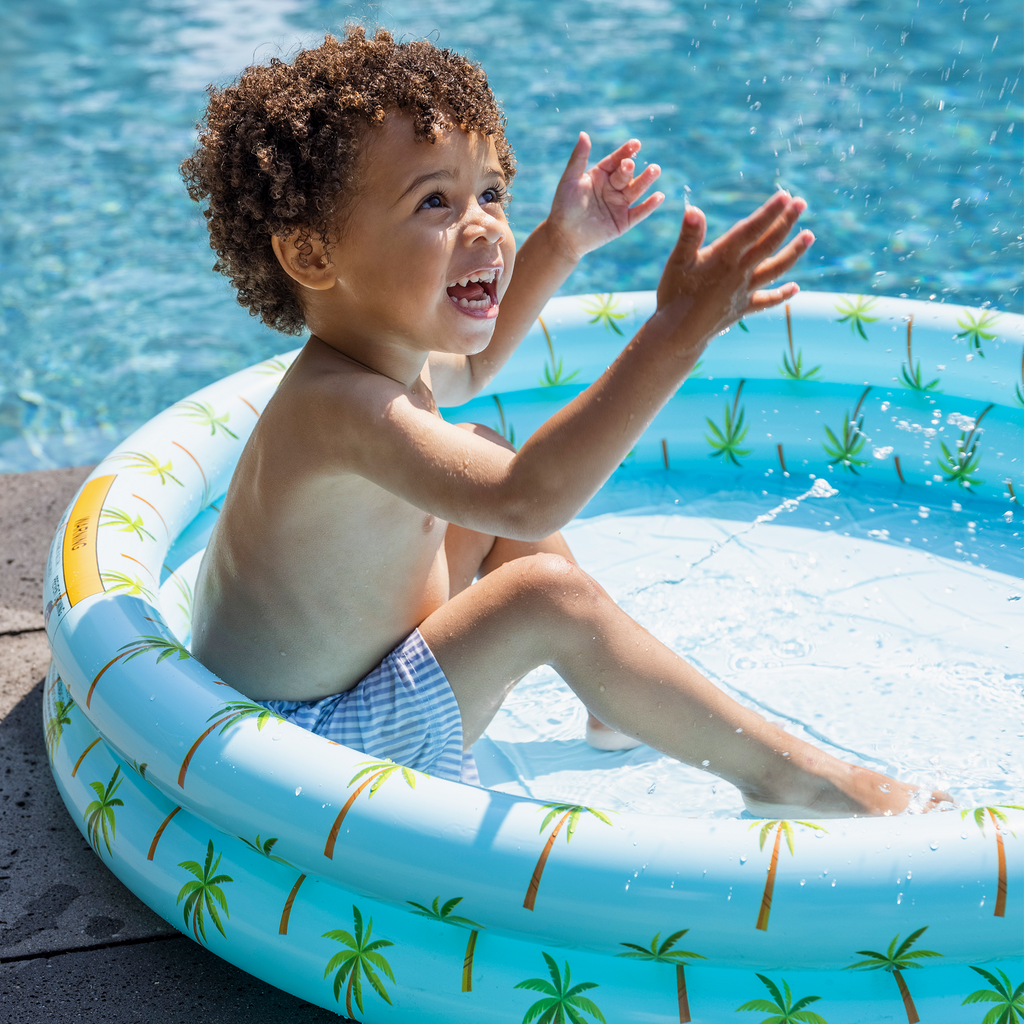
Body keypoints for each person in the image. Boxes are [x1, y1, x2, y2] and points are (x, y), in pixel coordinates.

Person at [183, 27, 946, 816]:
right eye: (434, 202)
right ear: (311, 256)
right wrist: (676, 333)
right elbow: (527, 499)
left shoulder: (379, 362)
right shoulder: (338, 408)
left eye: (490, 194)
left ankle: (611, 697)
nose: (482, 225)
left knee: (476, 446)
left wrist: (562, 241)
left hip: (348, 701)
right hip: (304, 754)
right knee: (545, 594)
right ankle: (793, 778)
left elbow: (475, 369)